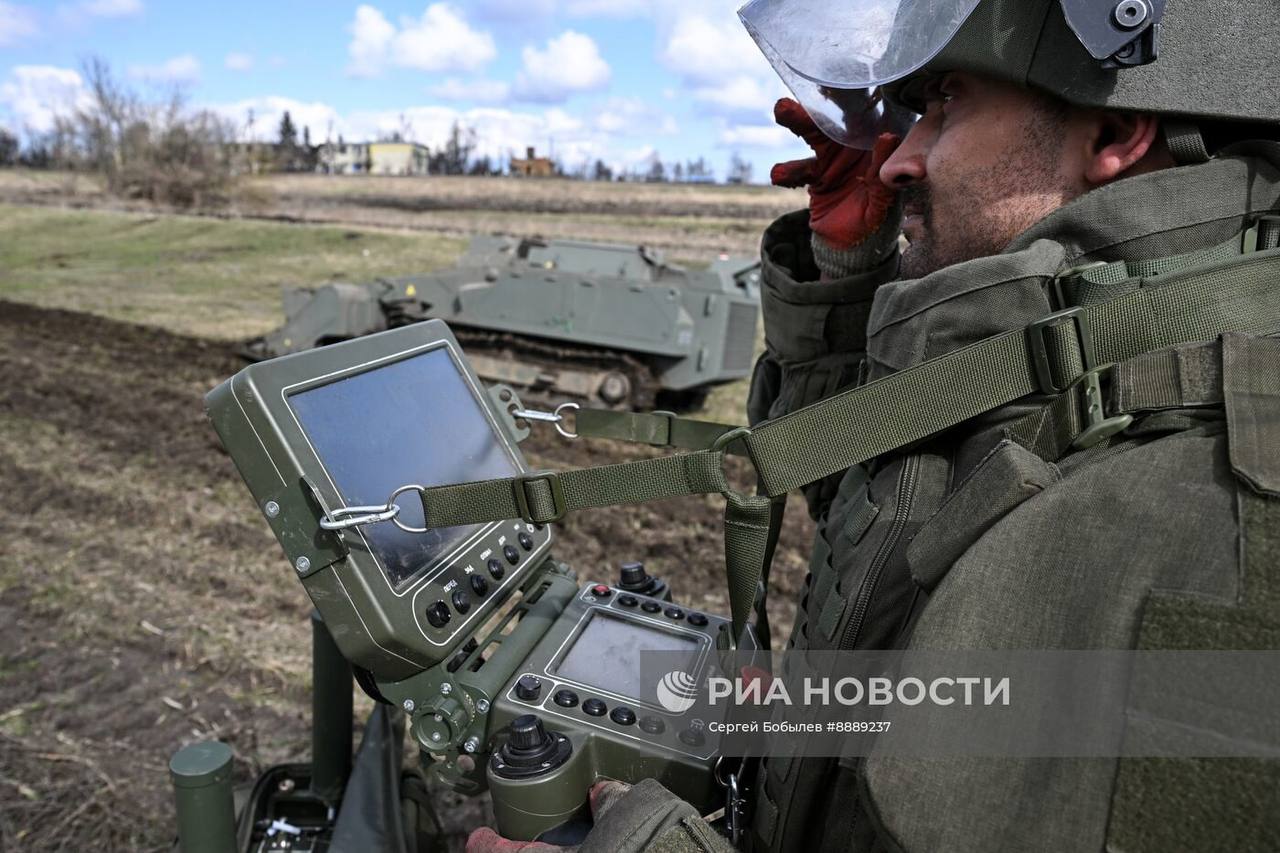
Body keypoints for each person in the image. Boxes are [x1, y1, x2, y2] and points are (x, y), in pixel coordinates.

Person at [468, 0, 1280, 850]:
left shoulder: (1210, 510)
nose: (898, 159)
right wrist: (849, 273)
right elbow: (878, 540)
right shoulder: (1072, 366)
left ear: (1113, 130)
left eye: (945, 102)